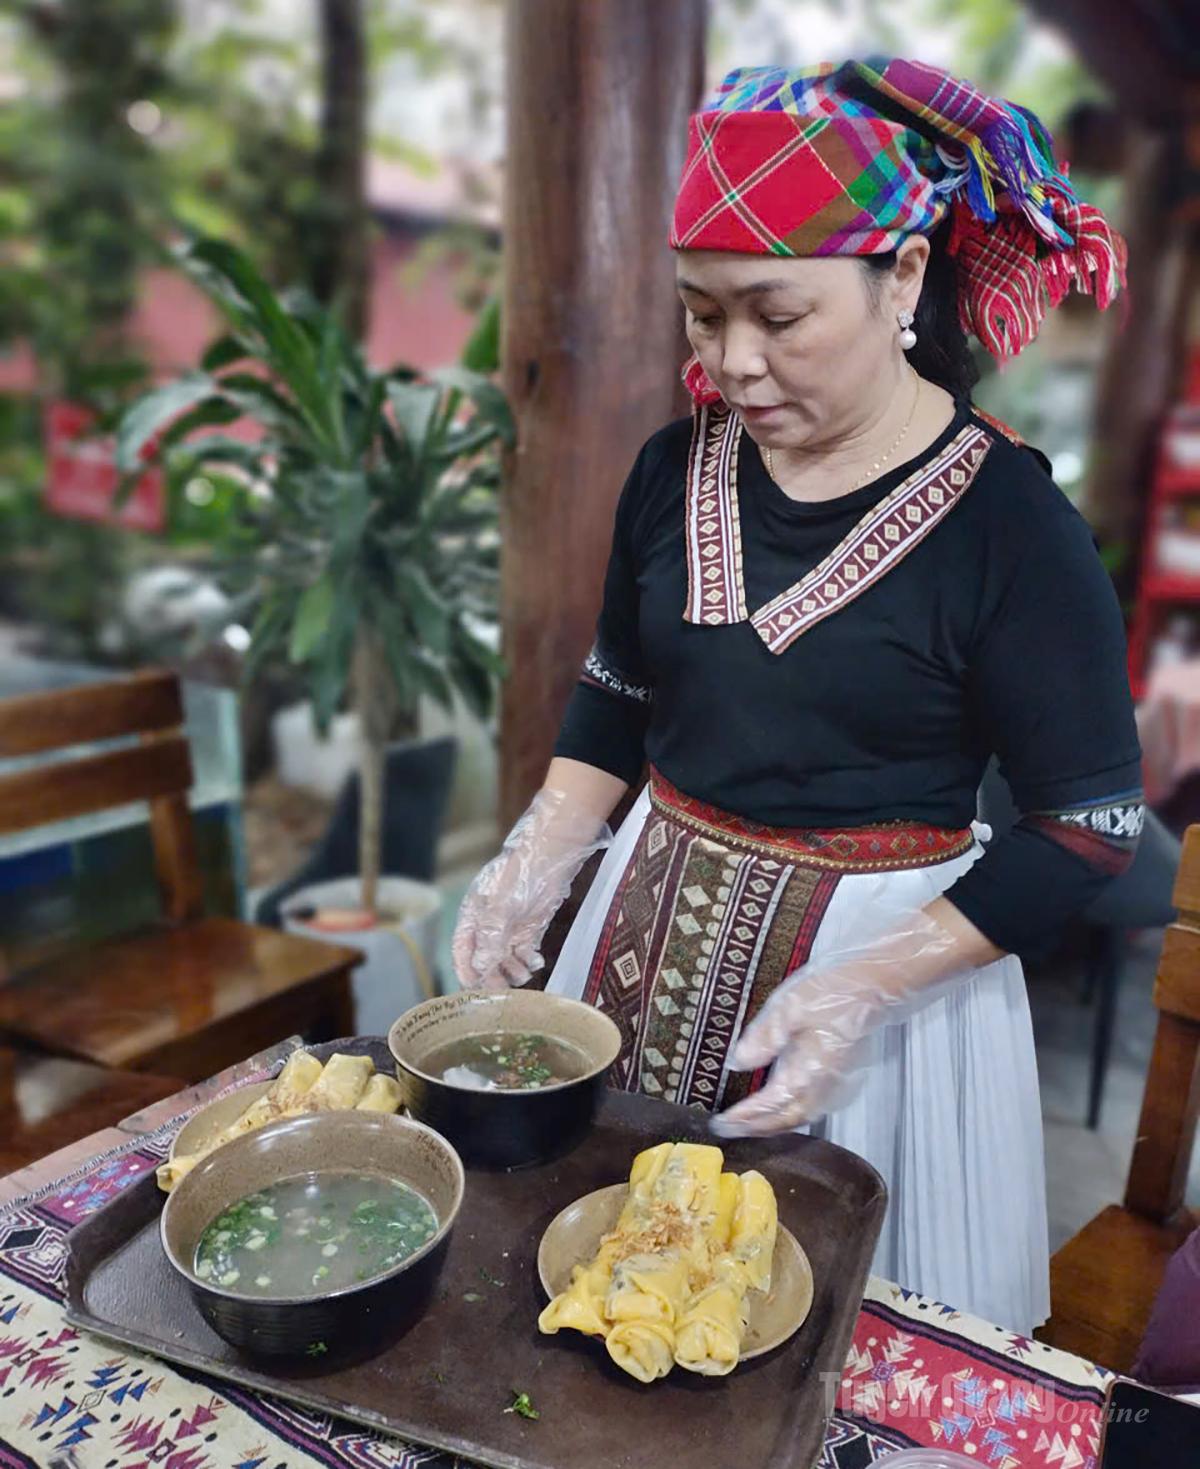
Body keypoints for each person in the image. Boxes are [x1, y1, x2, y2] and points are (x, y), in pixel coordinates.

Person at [452, 58, 1142, 1335]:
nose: (736, 362)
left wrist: (867, 982)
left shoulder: (1011, 527)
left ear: (906, 279)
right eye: (702, 315)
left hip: (880, 986)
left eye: (778, 313)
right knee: (608, 1295)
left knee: (827, 1336)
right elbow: (618, 685)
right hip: (644, 926)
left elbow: (1086, 824)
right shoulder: (674, 470)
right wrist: (542, 845)